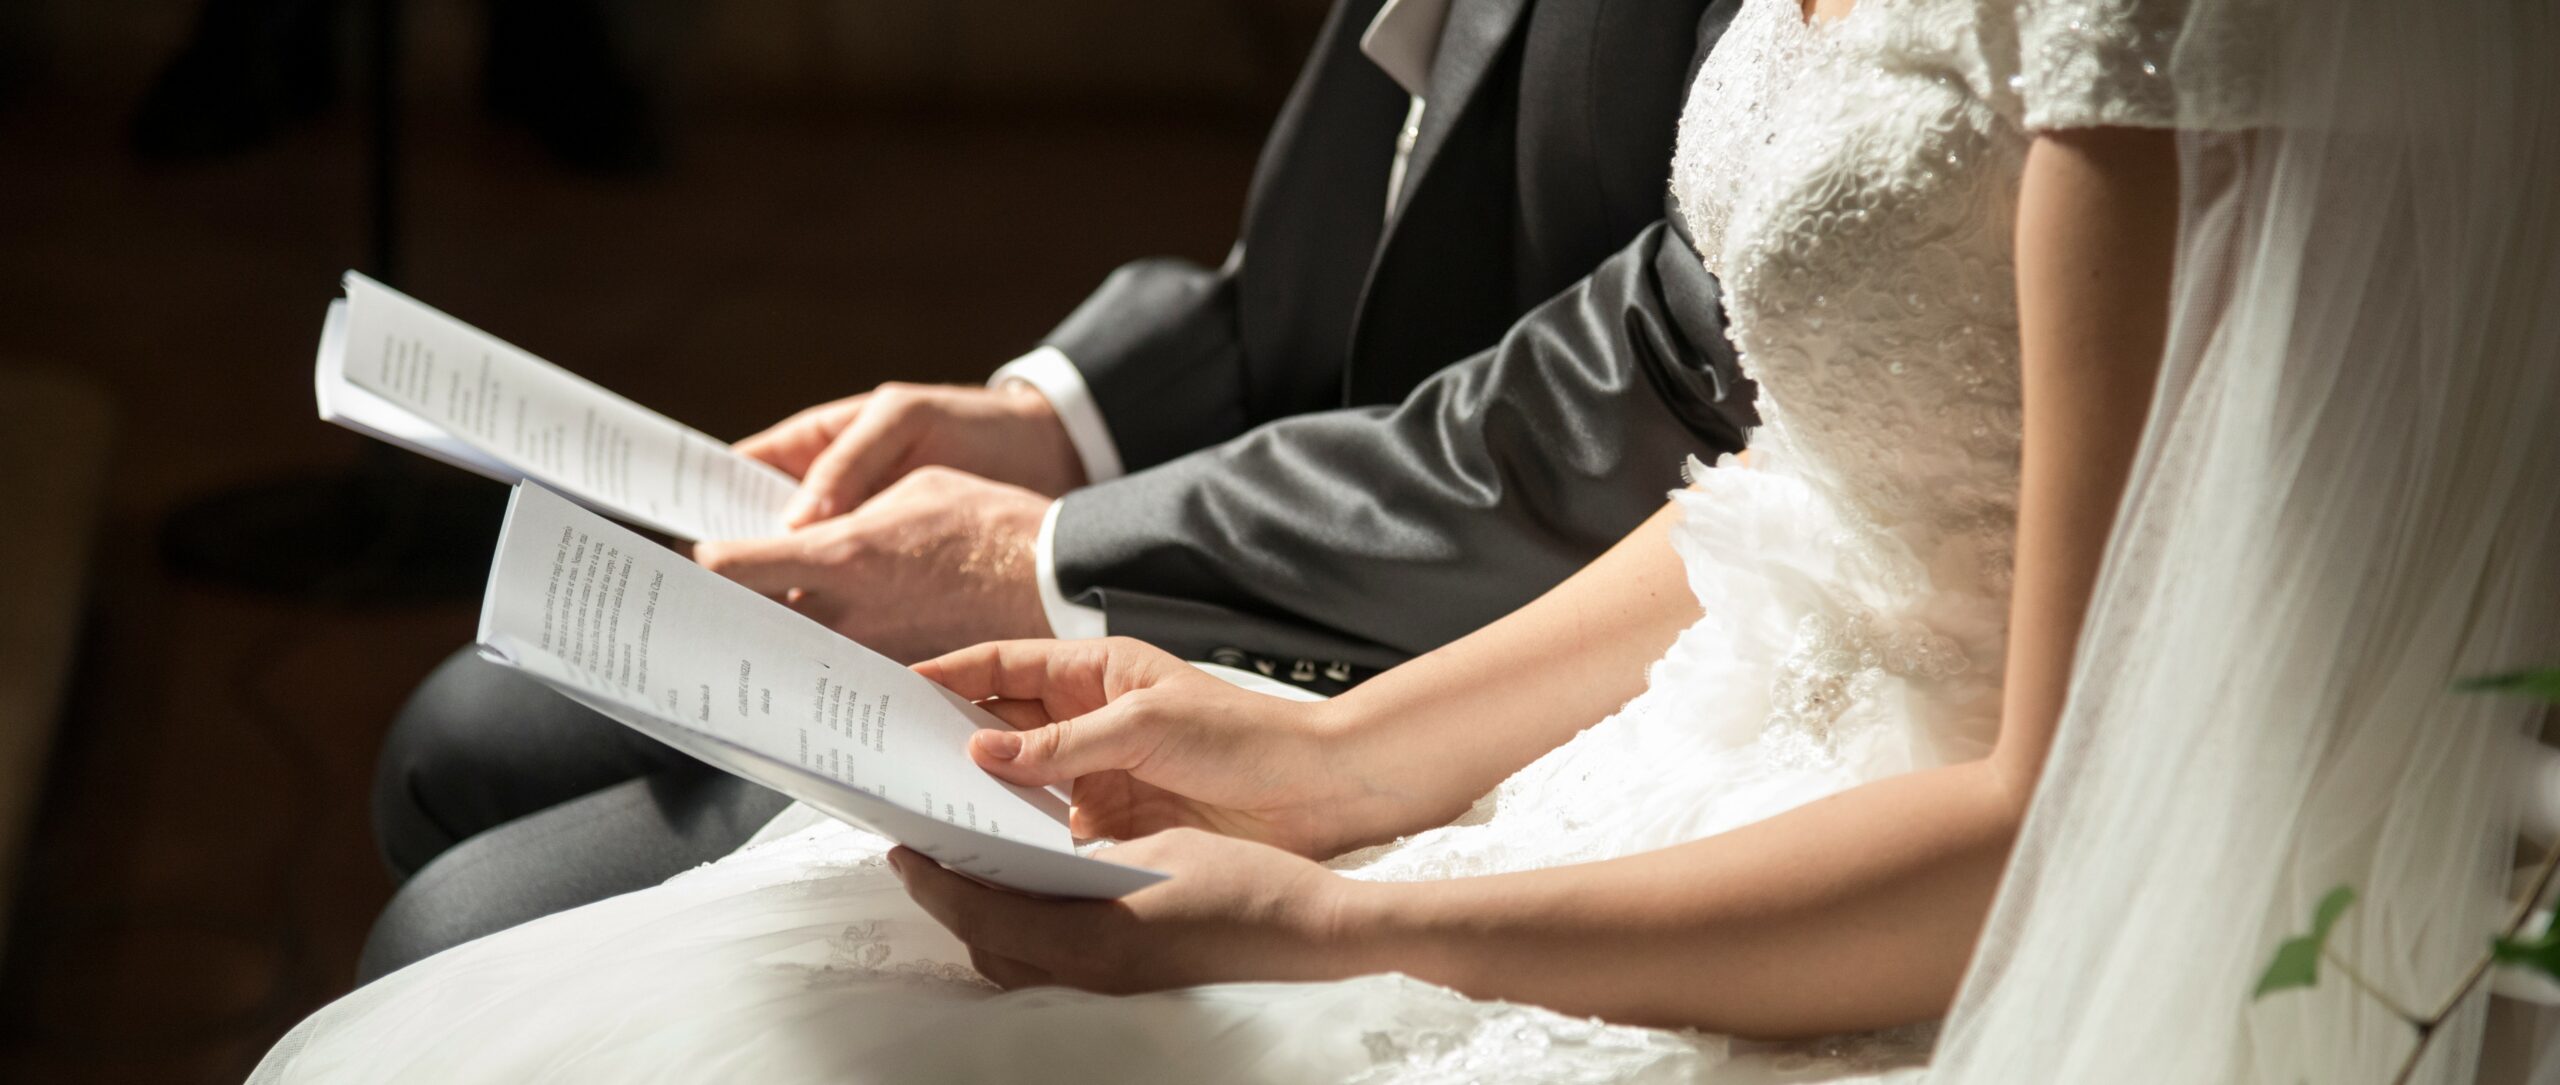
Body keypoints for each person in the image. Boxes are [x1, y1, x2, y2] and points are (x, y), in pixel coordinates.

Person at [258, 0, 2560, 1080]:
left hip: (1900, 878)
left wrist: (1362, 909)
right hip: (1653, 698)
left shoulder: (2151, 42)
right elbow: (1823, 474)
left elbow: (2037, 815)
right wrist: (1316, 765)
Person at [362, 0, 1756, 974]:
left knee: (453, 921)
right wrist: (1055, 419)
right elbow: (1358, 248)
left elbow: (1642, 401)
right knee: (465, 723)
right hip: (1308, 513)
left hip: (1487, 636)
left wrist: (1044, 550)